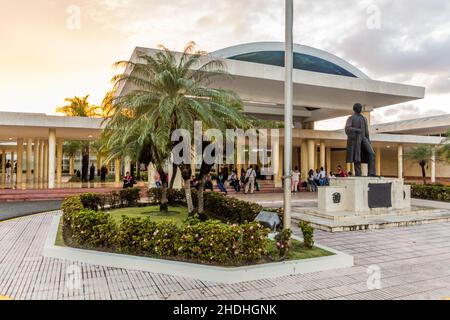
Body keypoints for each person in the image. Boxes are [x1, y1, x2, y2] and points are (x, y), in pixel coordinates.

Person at [345, 102, 376, 176]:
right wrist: (357, 130)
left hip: (364, 138)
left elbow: (366, 131)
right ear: (355, 109)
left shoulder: (364, 118)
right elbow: (347, 128)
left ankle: (371, 173)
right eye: (359, 107)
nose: (360, 108)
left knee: (371, 153)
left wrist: (368, 140)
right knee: (357, 157)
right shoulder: (351, 118)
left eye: (360, 107)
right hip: (356, 139)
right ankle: (358, 173)